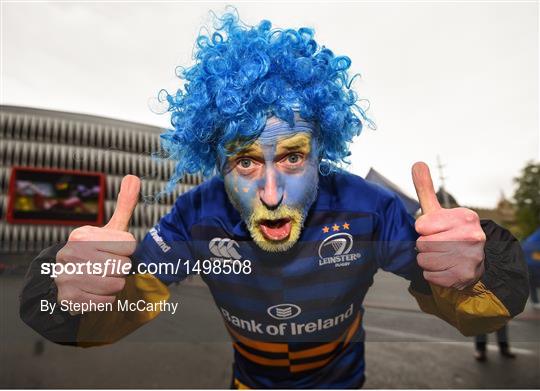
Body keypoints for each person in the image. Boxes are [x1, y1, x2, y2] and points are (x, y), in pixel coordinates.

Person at [19, 10, 529, 388]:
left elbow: (479, 314)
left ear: (321, 151)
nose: (269, 193)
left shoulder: (369, 207)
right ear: (217, 161)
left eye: (291, 158)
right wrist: (66, 289)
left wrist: (482, 270)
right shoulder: (196, 215)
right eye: (245, 162)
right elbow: (93, 325)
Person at [523, 228, 540, 309]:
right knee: (533, 282)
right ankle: (535, 301)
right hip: (533, 264)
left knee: (533, 282)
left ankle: (535, 301)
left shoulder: (533, 237)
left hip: (530, 263)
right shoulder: (535, 237)